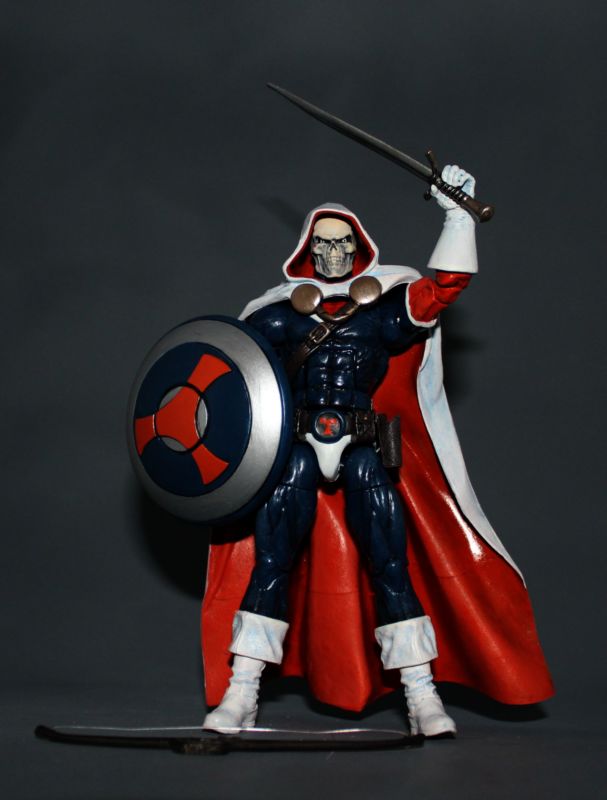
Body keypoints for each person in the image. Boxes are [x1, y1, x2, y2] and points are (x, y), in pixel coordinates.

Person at [201, 166, 553, 736]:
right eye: (323, 243)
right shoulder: (280, 315)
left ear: (358, 247)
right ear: (307, 250)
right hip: (297, 449)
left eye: (342, 242)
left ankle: (421, 695)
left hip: (362, 447)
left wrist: (457, 218)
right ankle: (243, 692)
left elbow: (443, 290)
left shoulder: (380, 312)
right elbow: (224, 368)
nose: (332, 252)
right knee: (270, 564)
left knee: (391, 566)